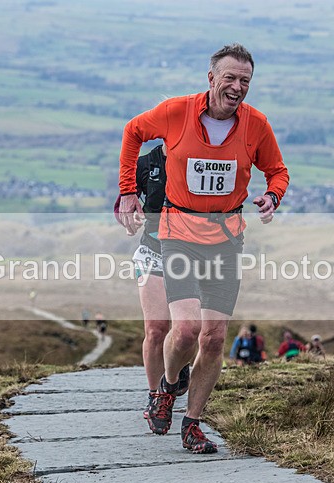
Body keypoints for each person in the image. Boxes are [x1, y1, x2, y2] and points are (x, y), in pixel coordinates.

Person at [118, 43, 289, 453]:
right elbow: (133, 132)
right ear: (211, 78)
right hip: (177, 234)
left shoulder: (256, 125)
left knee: (213, 339)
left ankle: (192, 422)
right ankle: (165, 387)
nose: (237, 87)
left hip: (227, 239)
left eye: (245, 81)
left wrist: (273, 196)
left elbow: (278, 171)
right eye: (229, 78)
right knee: (187, 329)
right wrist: (127, 193)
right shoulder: (177, 112)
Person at [114, 143, 192, 430]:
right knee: (156, 327)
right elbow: (124, 201)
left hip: (189, 255)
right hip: (153, 252)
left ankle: (177, 365)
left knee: (186, 330)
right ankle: (156, 397)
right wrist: (130, 218)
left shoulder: (198, 160)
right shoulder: (147, 163)